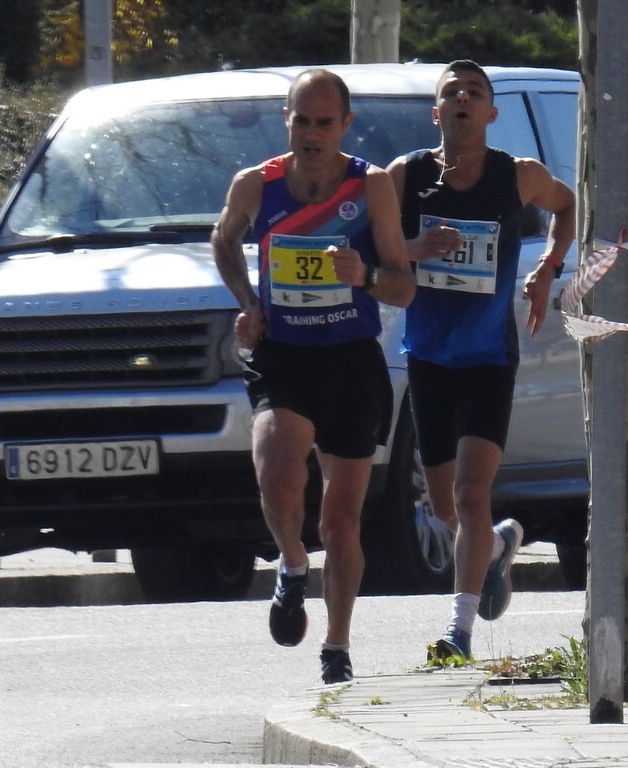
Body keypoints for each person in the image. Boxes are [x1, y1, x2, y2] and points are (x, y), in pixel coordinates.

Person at [212, 68, 416, 685]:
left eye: (324, 122)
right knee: (277, 474)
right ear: (287, 120)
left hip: (350, 360)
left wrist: (366, 278)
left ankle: (336, 645)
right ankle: (293, 564)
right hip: (286, 356)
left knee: (342, 518)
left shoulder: (371, 186)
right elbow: (222, 240)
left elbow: (403, 288)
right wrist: (248, 301)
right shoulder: (258, 184)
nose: (312, 133)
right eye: (302, 120)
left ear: (344, 126)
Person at [387, 60, 577, 661]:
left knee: (472, 494)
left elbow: (567, 207)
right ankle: (495, 549)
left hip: (489, 355)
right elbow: (371, 241)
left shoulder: (517, 176)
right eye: (452, 92)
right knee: (445, 506)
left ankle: (459, 631)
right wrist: (413, 249)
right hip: (428, 356)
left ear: (491, 114)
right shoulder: (405, 175)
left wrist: (546, 271)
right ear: (436, 113)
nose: (463, 99)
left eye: (475, 92)